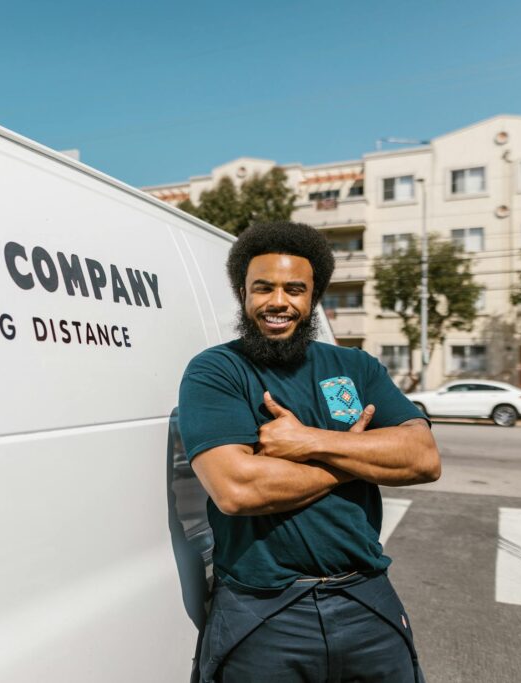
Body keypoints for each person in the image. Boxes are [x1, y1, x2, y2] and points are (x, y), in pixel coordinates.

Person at [177, 221, 441, 683]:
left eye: (294, 289)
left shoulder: (356, 366)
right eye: (264, 288)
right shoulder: (216, 371)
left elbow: (422, 457)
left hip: (366, 598)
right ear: (243, 292)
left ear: (314, 297)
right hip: (264, 612)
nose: (278, 301)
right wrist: (359, 457)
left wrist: (311, 442)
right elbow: (238, 488)